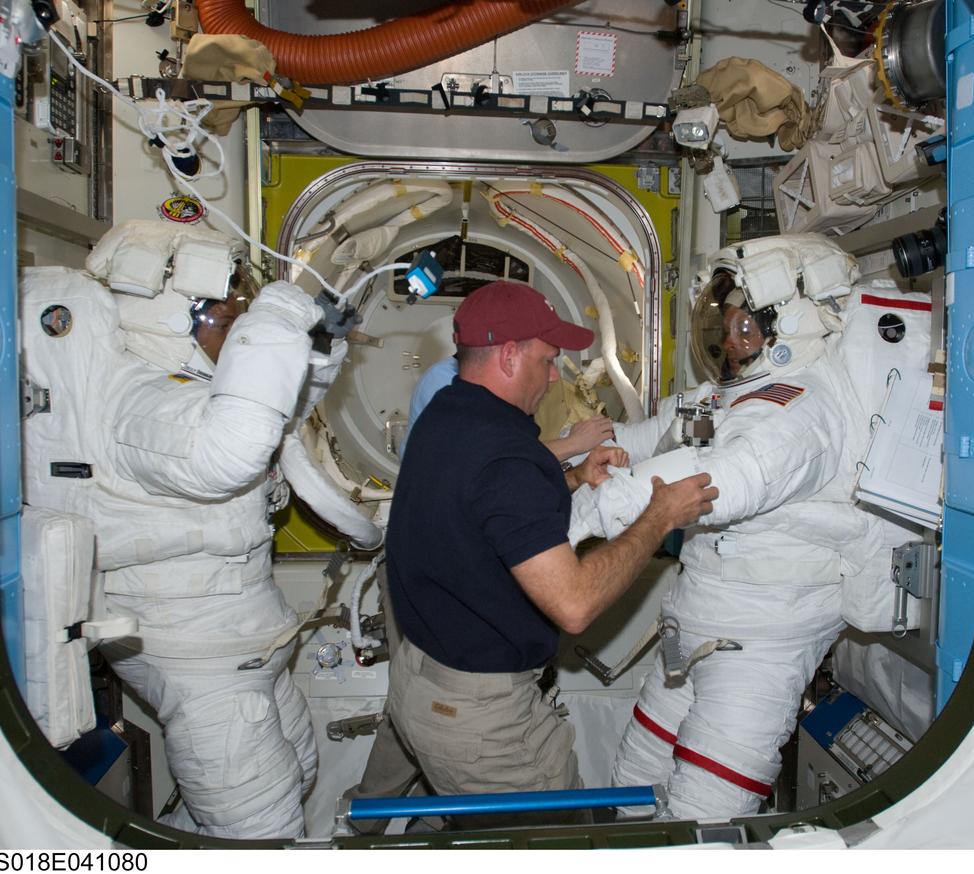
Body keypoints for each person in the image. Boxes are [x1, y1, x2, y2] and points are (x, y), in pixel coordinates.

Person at [20, 220, 359, 839]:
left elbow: (268, 409)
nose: (234, 337)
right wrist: (279, 313)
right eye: (227, 323)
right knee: (261, 832)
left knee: (299, 776)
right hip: (202, 661)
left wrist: (314, 350)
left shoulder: (186, 389)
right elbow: (226, 452)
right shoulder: (136, 402)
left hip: (240, 644)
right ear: (168, 319)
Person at [570, 234, 907, 820]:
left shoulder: (805, 410)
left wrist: (590, 516)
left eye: (745, 328)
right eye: (725, 328)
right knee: (632, 789)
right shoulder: (726, 398)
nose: (730, 343)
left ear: (790, 328)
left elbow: (728, 476)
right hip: (695, 627)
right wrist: (564, 464)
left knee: (698, 819)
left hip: (760, 647)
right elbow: (647, 439)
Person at [376, 280, 716, 828]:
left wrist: (577, 477)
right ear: (509, 356)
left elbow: (484, 509)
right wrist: (659, 518)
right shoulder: (508, 460)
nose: (555, 375)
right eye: (549, 359)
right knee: (559, 840)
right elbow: (575, 605)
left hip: (422, 680)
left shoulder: (447, 413)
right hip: (484, 721)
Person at [397, 354, 615, 460]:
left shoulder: (485, 381)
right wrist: (573, 443)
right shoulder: (448, 389)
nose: (554, 376)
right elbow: (498, 457)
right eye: (544, 361)